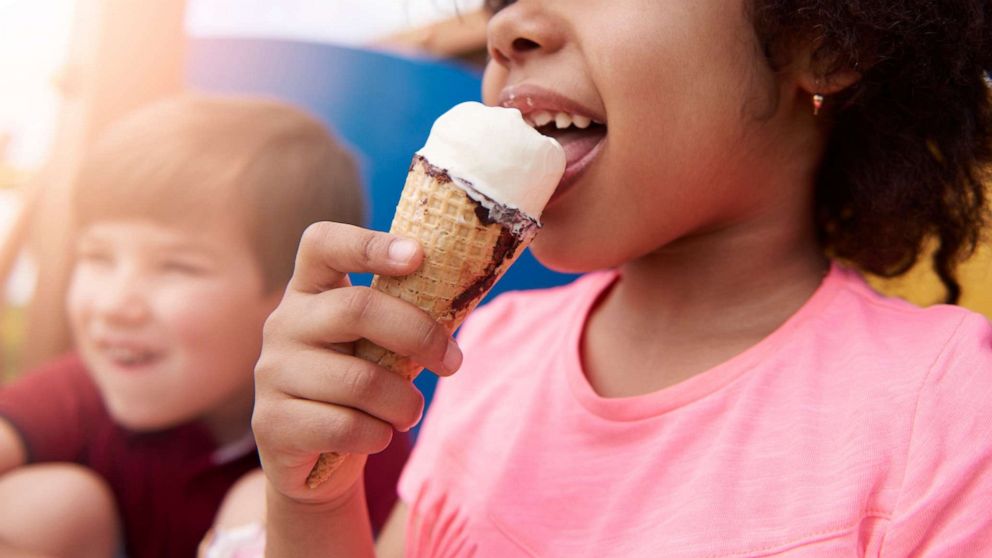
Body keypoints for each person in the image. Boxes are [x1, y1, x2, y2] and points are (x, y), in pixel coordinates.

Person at [251, 1, 992, 556]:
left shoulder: (952, 411)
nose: (510, 29)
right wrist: (315, 495)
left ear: (825, 40)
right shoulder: (487, 351)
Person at [0, 94, 410, 558]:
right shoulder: (80, 393)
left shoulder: (353, 438)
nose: (115, 305)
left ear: (293, 296)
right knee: (49, 506)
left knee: (264, 502)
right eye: (97, 257)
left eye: (176, 267)